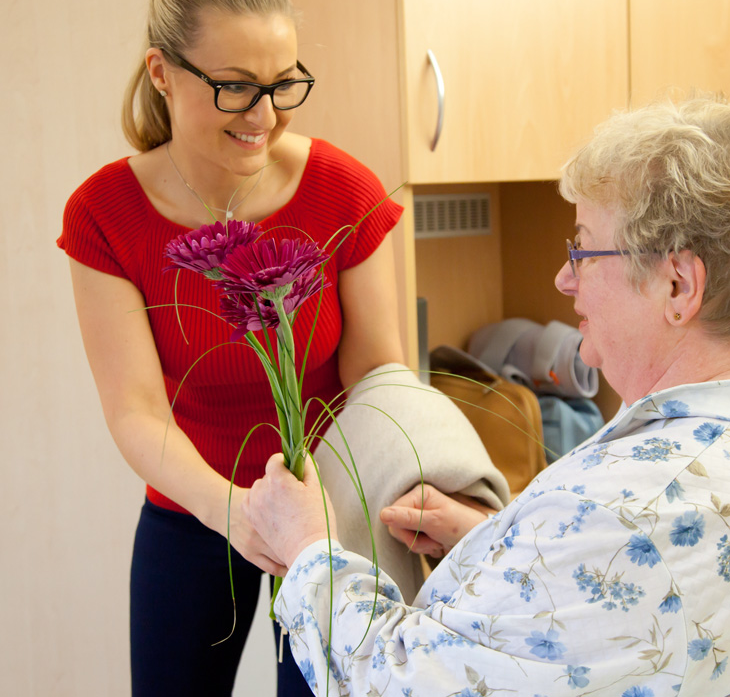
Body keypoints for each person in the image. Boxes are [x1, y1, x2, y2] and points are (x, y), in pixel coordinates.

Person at [245, 94, 730, 696]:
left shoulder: (614, 516)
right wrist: (502, 543)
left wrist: (308, 548)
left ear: (678, 285)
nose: (564, 277)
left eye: (583, 249)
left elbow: (399, 684)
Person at [57, 0, 404, 697]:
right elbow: (136, 410)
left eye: (282, 86)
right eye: (236, 88)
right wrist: (237, 512)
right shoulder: (104, 216)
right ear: (161, 73)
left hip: (331, 520)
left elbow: (380, 383)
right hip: (192, 513)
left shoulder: (344, 194)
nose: (265, 117)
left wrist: (329, 518)